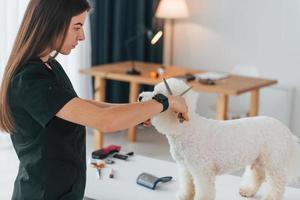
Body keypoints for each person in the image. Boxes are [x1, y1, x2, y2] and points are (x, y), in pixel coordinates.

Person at [0, 0, 189, 199]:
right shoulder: (30, 80)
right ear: (52, 23)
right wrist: (164, 102)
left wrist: (142, 111)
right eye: (77, 27)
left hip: (65, 189)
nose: (81, 36)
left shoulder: (49, 66)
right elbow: (104, 120)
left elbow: (83, 105)